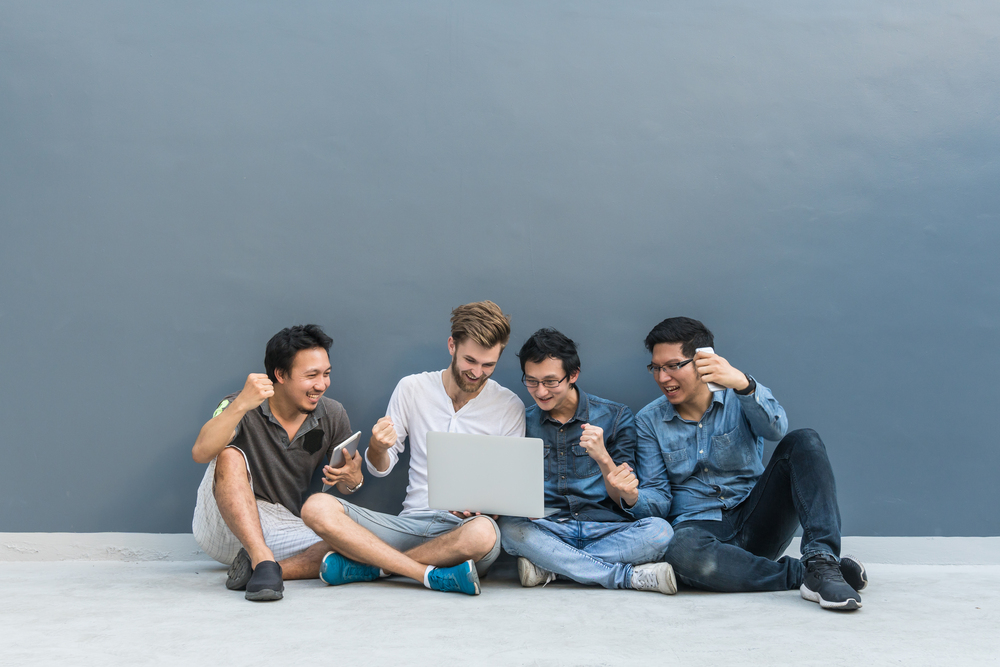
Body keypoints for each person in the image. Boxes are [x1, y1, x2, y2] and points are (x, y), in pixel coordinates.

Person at [625, 317, 868, 611]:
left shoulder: (740, 394)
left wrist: (744, 385)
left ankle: (822, 560)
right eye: (656, 368)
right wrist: (630, 494)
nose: (663, 377)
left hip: (757, 519)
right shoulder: (648, 421)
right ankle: (808, 575)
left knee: (805, 440)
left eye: (674, 365)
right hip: (700, 532)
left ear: (703, 360)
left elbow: (776, 430)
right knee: (680, 550)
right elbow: (660, 501)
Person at [300, 301, 525, 596]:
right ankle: (424, 573)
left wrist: (485, 505)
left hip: (463, 535)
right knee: (316, 507)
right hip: (408, 526)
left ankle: (376, 569)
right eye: (470, 360)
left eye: (488, 365)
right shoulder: (413, 388)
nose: (477, 372)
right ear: (451, 346)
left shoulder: (509, 406)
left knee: (483, 533)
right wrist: (377, 447)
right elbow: (380, 469)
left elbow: (509, 489)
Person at [191, 324, 363, 602]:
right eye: (311, 375)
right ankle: (262, 559)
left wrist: (352, 479)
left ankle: (265, 568)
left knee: (353, 544)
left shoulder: (332, 414)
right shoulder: (240, 405)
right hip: (222, 522)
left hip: (278, 525)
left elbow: (348, 485)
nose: (322, 384)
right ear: (280, 375)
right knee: (229, 454)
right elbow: (200, 453)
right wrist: (240, 405)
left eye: (326, 374)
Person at [498, 329, 676, 594]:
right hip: (549, 529)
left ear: (573, 375)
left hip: (607, 529)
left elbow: (624, 496)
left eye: (550, 381)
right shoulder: (522, 421)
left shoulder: (615, 417)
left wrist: (603, 457)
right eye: (532, 381)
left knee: (660, 532)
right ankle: (623, 577)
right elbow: (508, 488)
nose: (541, 391)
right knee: (508, 527)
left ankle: (550, 566)